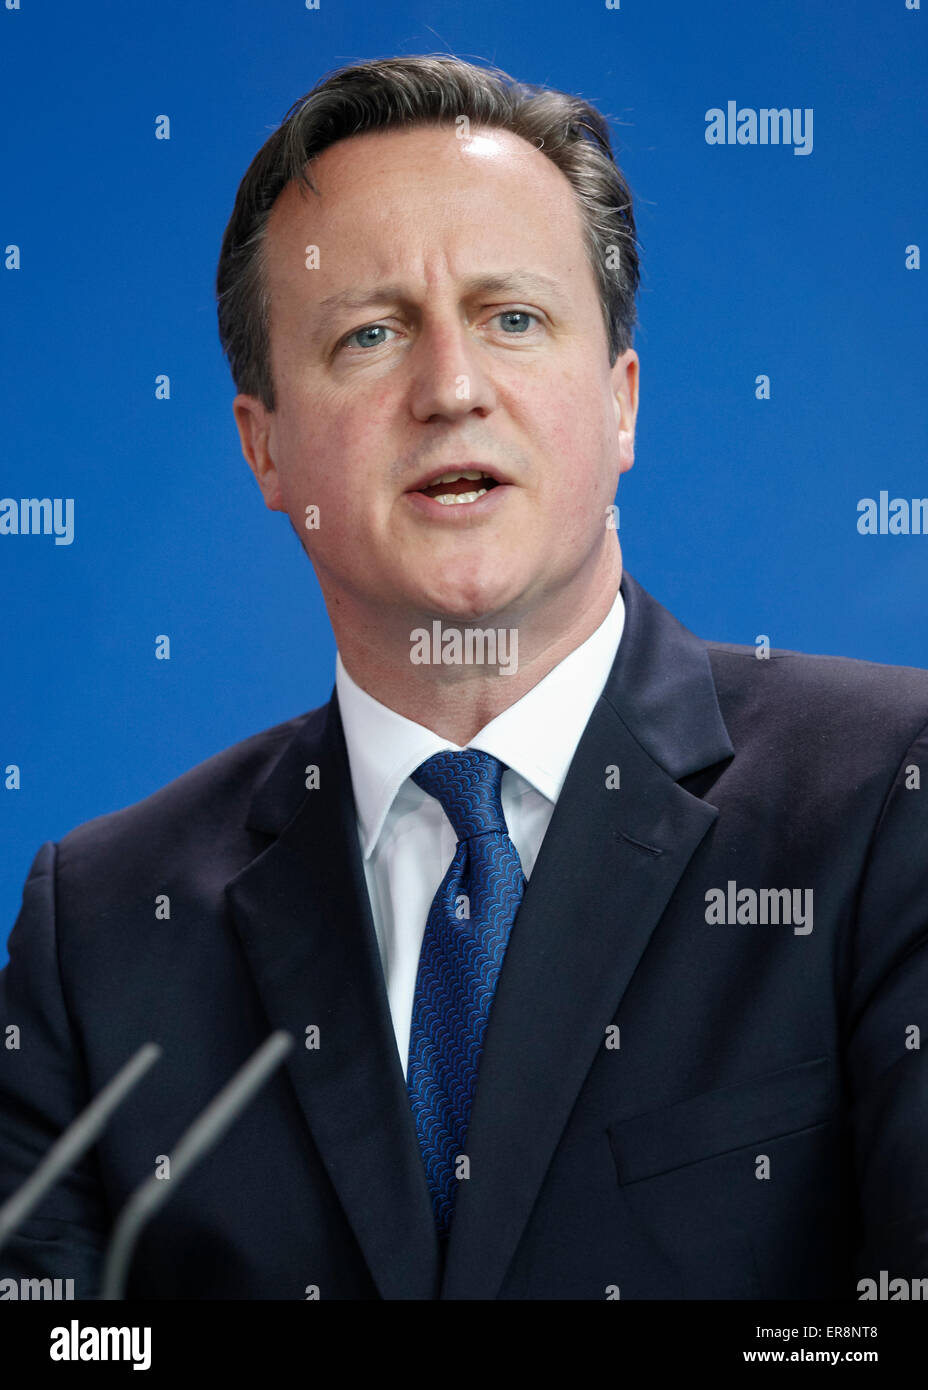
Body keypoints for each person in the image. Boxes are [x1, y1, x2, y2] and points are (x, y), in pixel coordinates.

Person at [1, 54, 926, 1301]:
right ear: (264, 445)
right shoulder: (100, 928)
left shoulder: (889, 801)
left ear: (621, 407)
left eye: (512, 317)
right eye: (370, 333)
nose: (450, 389)